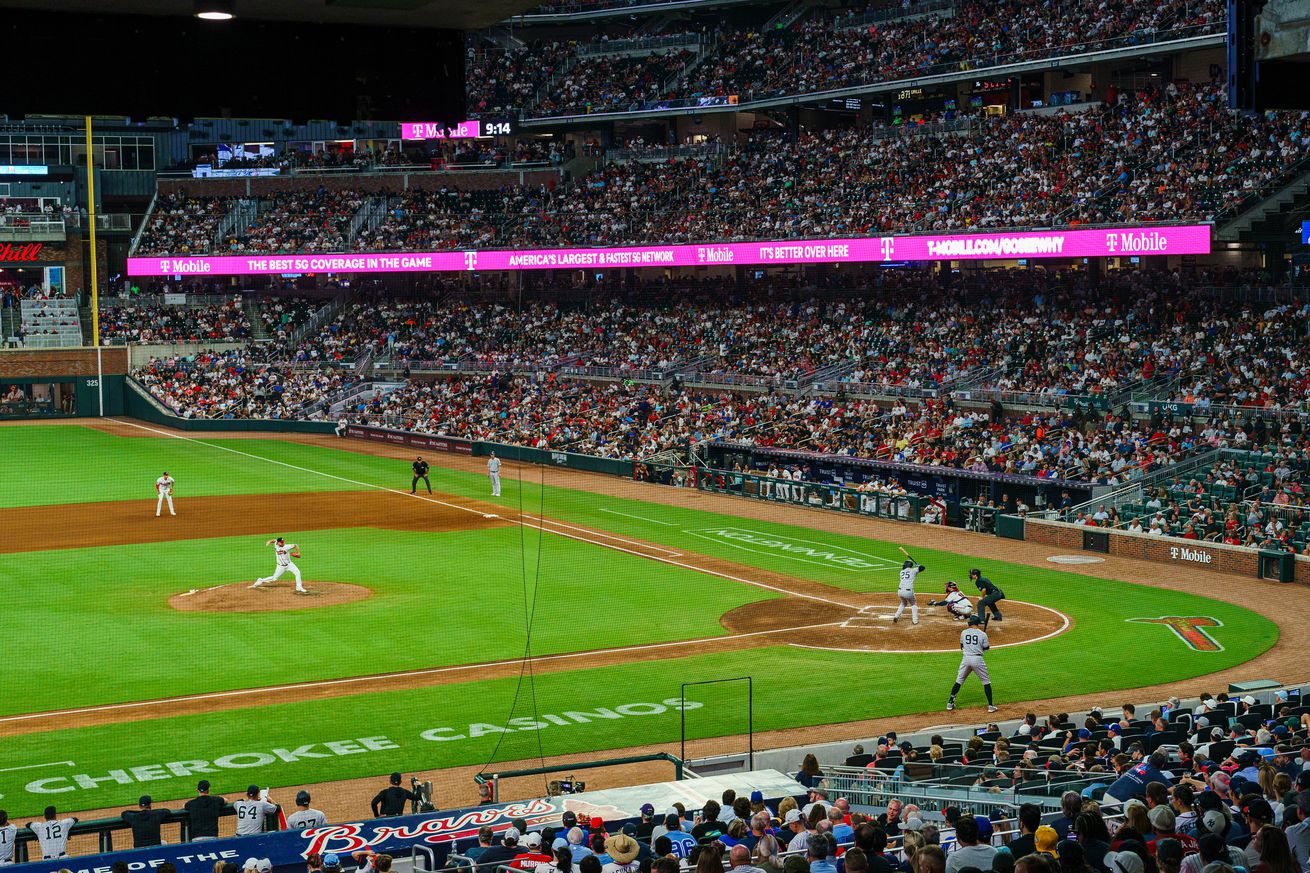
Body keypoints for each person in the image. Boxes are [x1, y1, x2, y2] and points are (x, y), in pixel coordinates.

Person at [947, 615, 997, 713]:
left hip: (966, 659)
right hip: (977, 659)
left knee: (959, 681)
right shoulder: (982, 634)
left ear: (970, 623)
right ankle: (991, 706)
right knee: (986, 682)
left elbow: (962, 646)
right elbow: (986, 647)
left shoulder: (964, 632)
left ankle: (950, 703)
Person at [894, 558, 926, 625]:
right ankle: (915, 621)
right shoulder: (914, 570)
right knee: (913, 605)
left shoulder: (901, 572)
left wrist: (918, 566)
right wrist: (919, 566)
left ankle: (896, 616)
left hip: (900, 591)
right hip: (908, 592)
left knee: (903, 603)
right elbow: (923, 568)